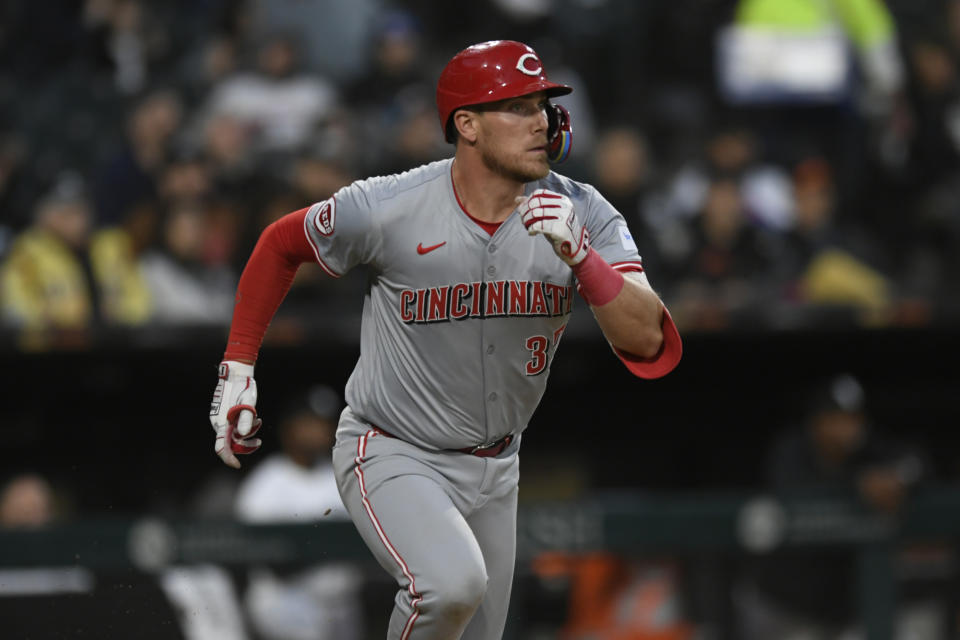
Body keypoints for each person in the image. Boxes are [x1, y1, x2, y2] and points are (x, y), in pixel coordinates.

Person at [208, 39, 683, 640]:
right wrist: (238, 368)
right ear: (468, 125)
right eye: (516, 106)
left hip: (498, 466)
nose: (540, 121)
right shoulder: (390, 206)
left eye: (542, 105)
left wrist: (584, 259)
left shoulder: (582, 213)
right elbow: (280, 244)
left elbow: (650, 344)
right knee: (450, 586)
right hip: (393, 447)